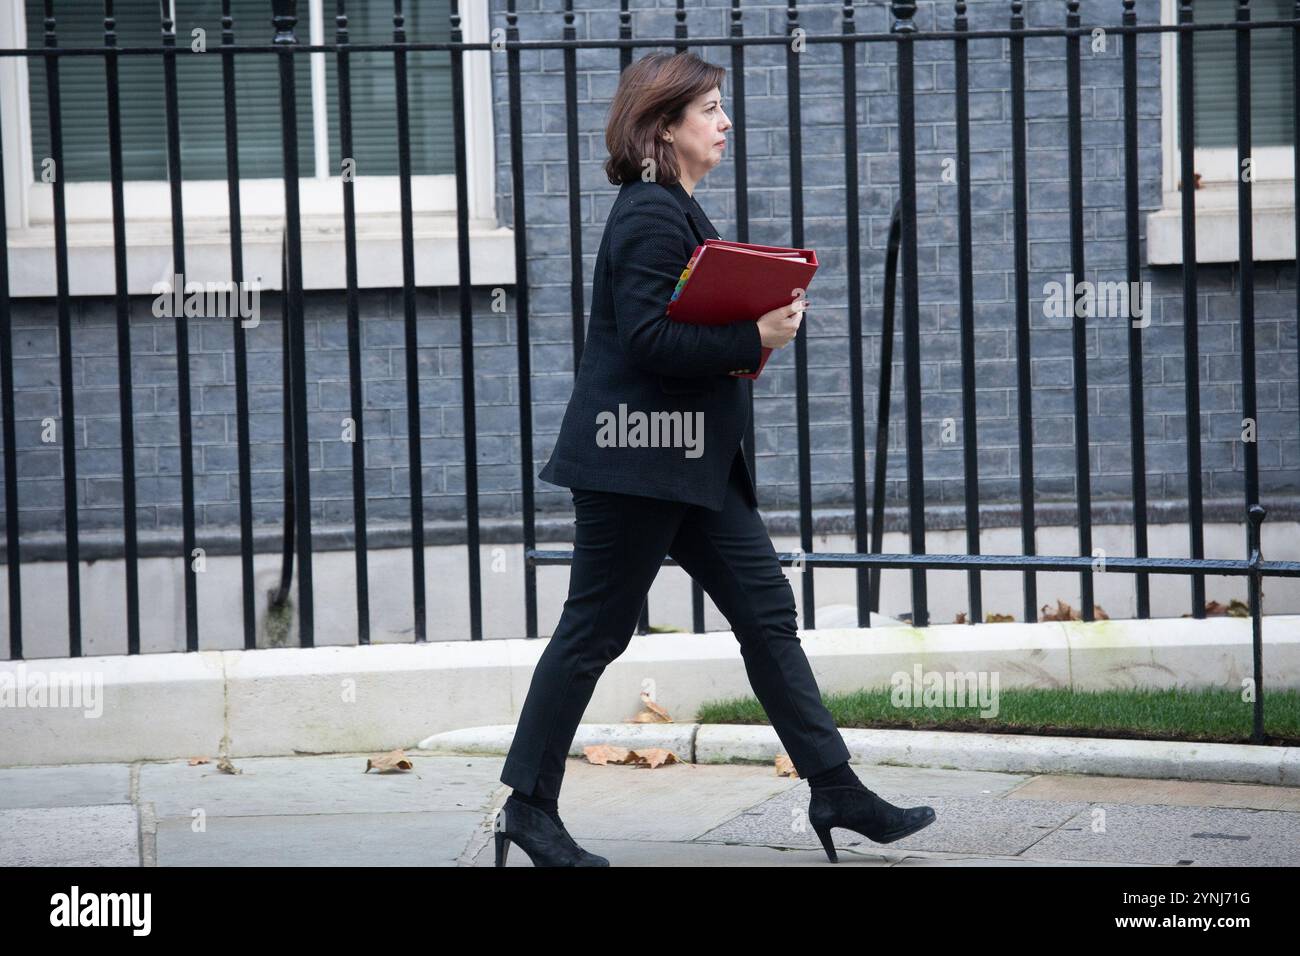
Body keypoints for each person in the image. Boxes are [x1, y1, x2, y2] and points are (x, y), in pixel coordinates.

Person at [493, 51, 935, 867]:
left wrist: (757, 314)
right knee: (592, 633)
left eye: (722, 109)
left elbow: (678, 323)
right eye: (710, 111)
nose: (725, 123)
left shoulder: (680, 211)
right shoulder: (649, 215)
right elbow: (650, 338)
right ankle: (528, 808)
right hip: (636, 465)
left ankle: (836, 788)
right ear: (665, 127)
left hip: (693, 469)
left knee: (767, 615)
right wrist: (753, 335)